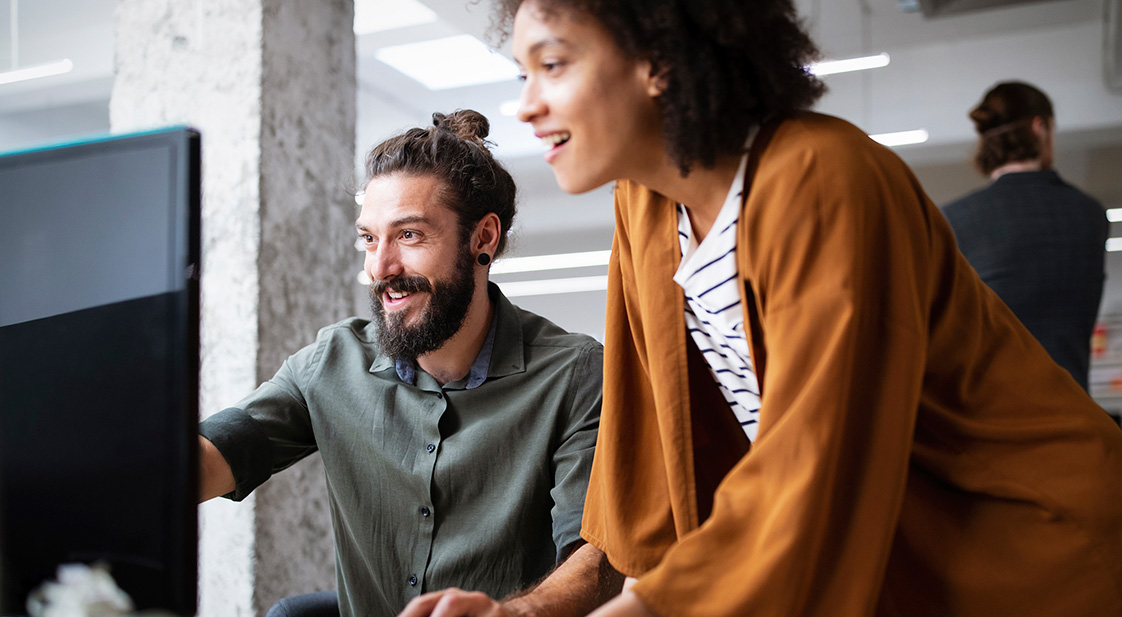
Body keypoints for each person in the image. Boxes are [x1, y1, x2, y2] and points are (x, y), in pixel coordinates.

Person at [399, 2, 1122, 616]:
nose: (525, 103)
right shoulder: (646, 207)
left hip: (1038, 553)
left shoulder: (824, 177)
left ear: (657, 58)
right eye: (524, 72)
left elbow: (812, 464)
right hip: (906, 563)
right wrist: (527, 609)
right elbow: (646, 494)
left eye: (553, 65)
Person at [197, 109, 605, 617]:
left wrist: (513, 614)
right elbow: (212, 457)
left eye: (408, 236)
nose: (380, 268)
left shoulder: (576, 374)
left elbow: (598, 557)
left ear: (483, 238)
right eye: (369, 238)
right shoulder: (332, 362)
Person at [942, 81, 1108, 391]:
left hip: (992, 414)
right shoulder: (1090, 214)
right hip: (1073, 411)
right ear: (1040, 127)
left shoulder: (954, 219)